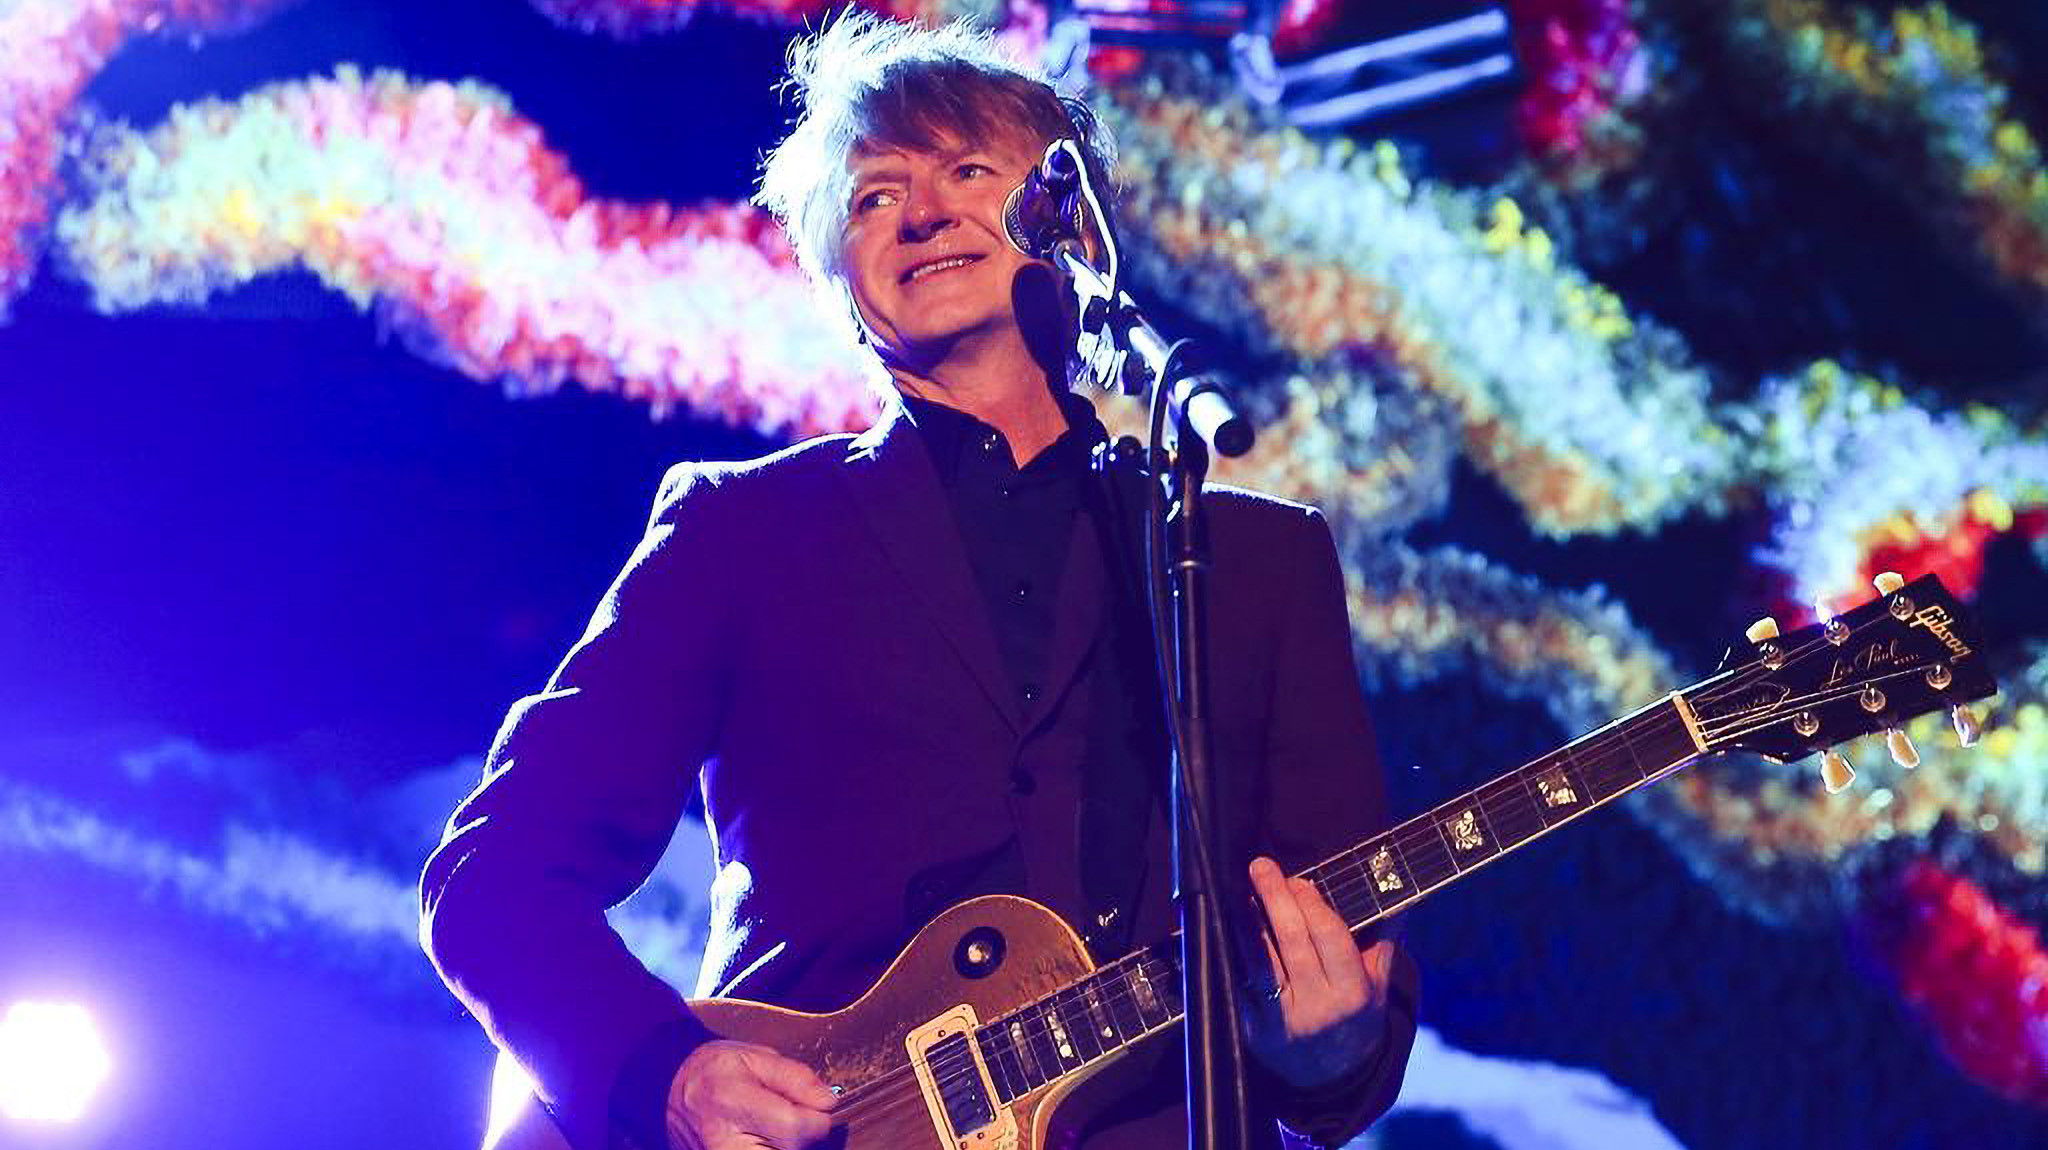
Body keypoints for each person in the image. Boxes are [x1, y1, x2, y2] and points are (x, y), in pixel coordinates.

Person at [420, 14, 1417, 1150]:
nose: (924, 210)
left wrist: (1332, 1051)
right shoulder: (738, 531)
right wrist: (664, 1071)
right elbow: (492, 873)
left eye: (969, 170)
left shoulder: (1256, 562)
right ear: (842, 285)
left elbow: (1340, 956)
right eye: (872, 195)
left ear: (1070, 227)